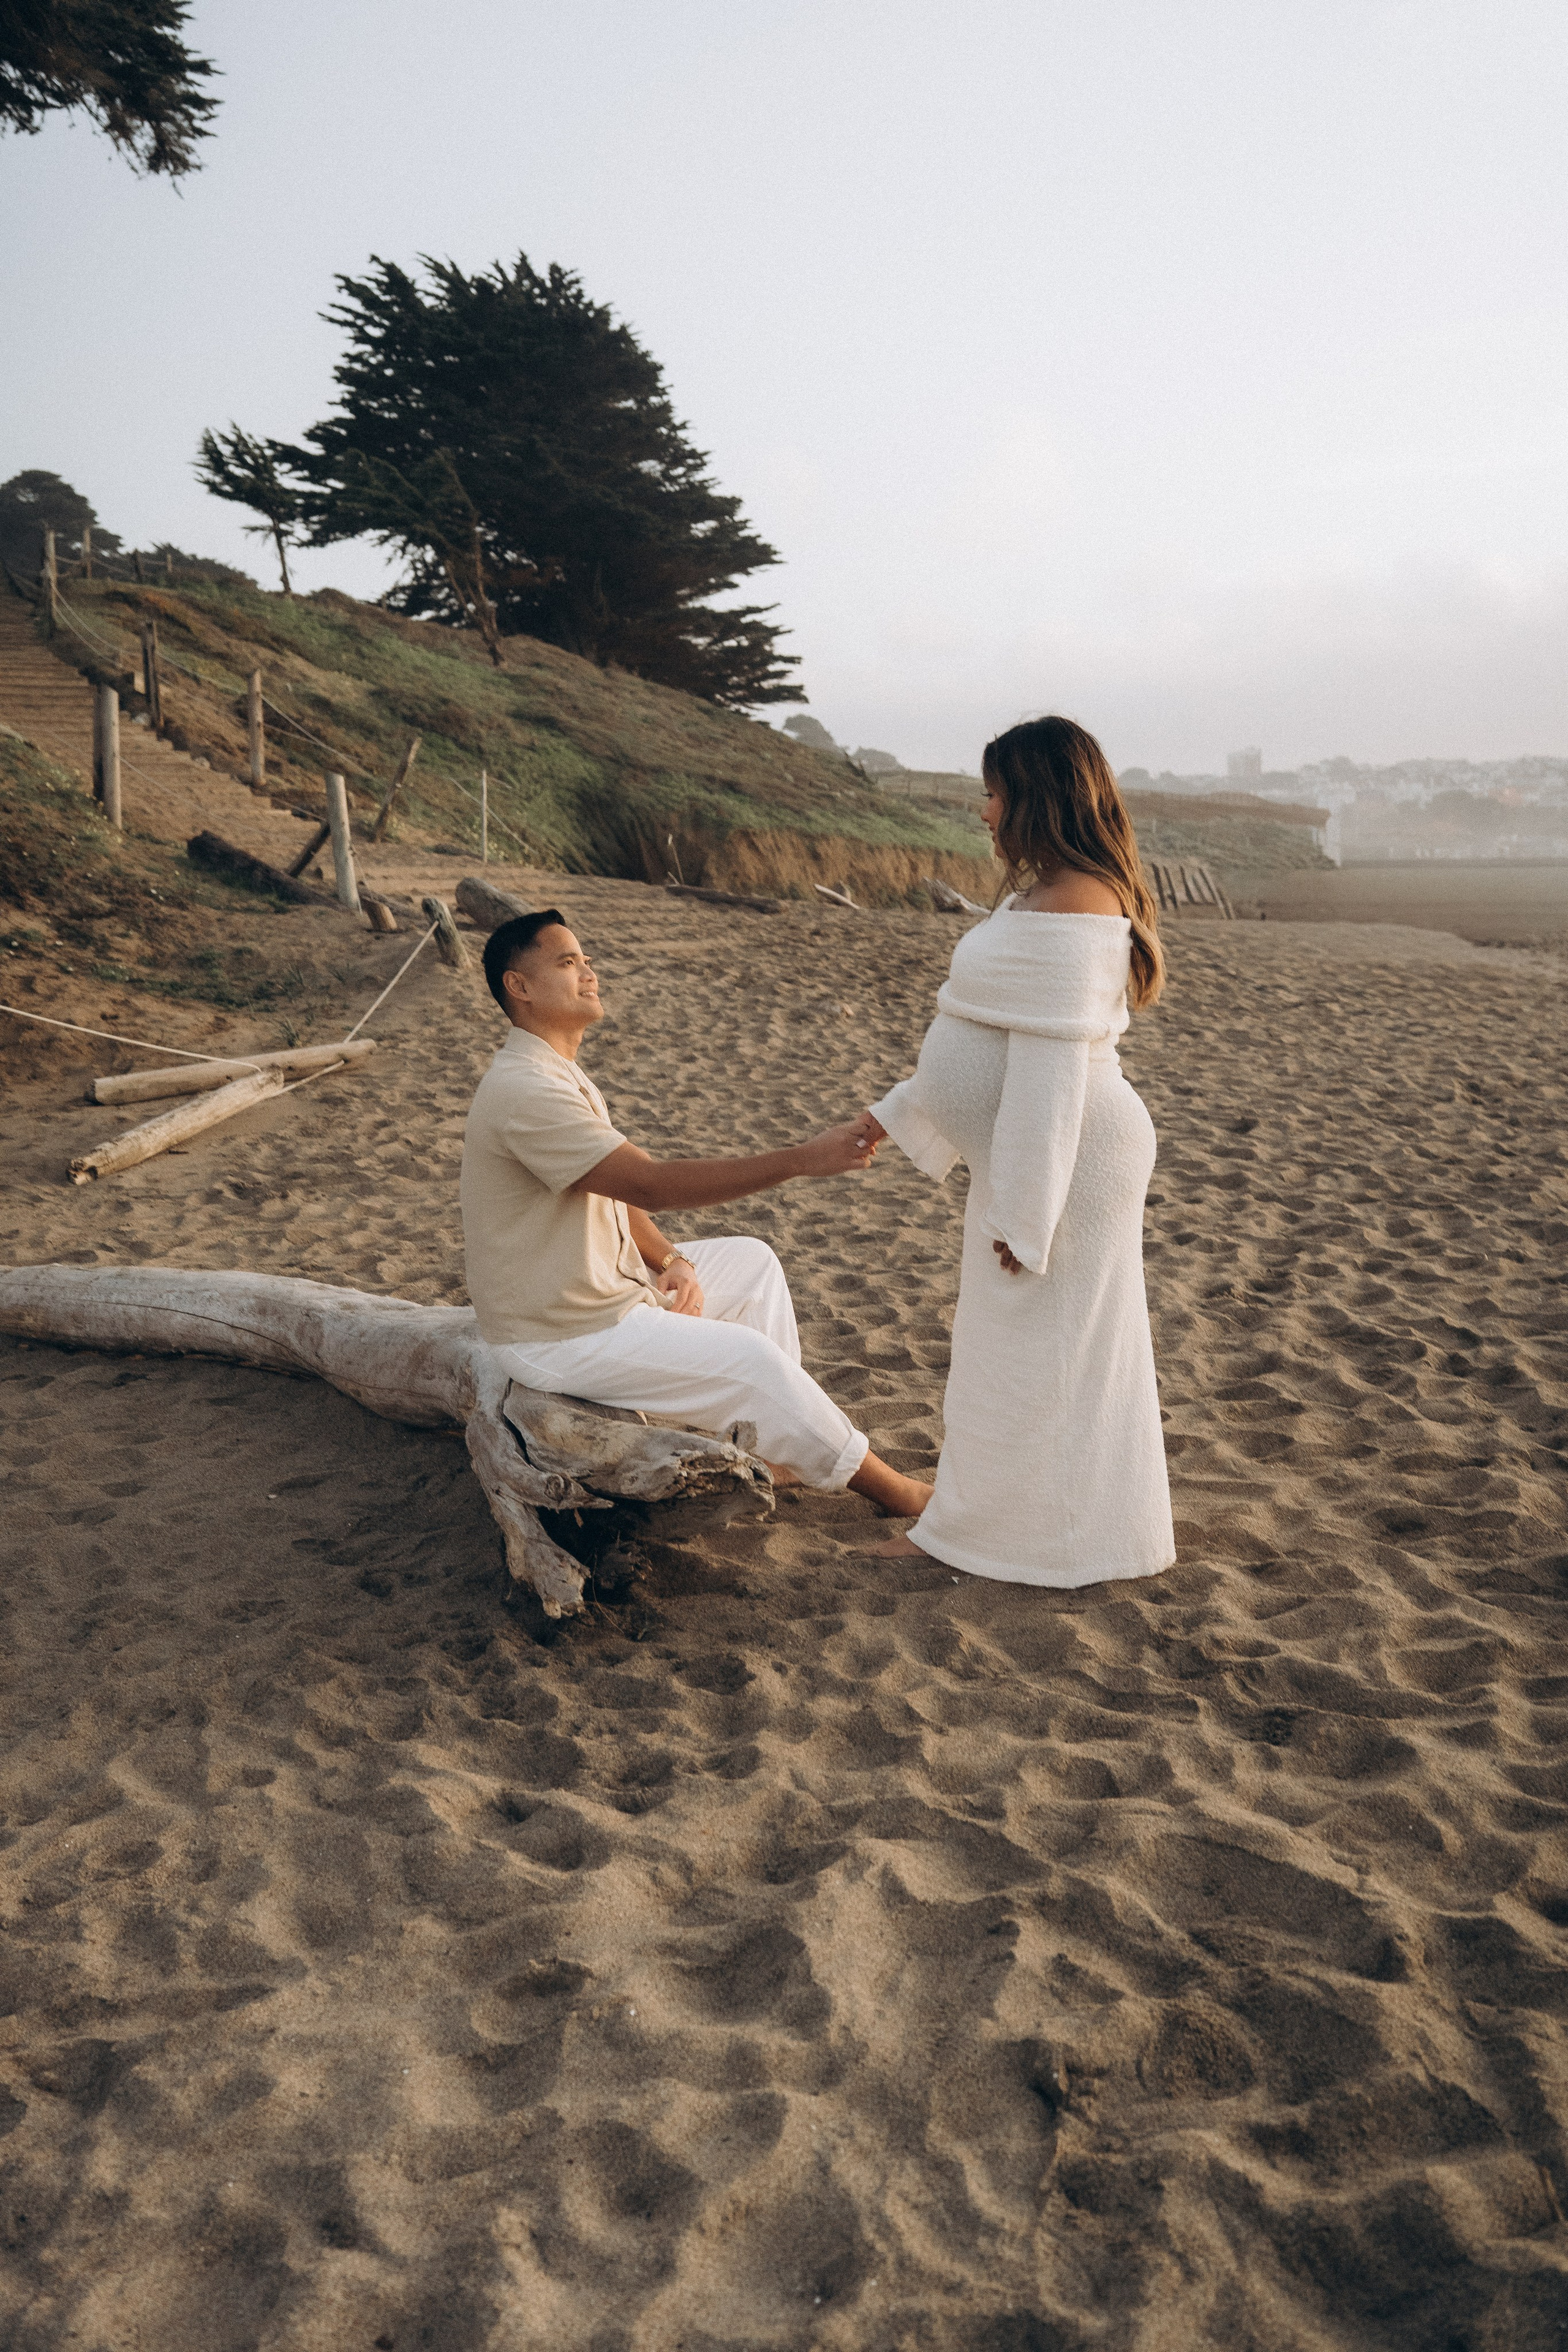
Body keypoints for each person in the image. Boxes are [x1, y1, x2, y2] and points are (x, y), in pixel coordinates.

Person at [460, 907, 933, 1519]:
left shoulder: (555, 1071)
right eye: (567, 962)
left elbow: (607, 1189)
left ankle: (771, 1453)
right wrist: (800, 1159)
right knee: (751, 1362)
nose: (589, 973)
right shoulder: (525, 1088)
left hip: (603, 1288)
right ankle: (894, 1492)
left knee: (751, 1263)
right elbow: (650, 1184)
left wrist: (669, 1258)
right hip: (559, 1333)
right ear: (517, 986)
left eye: (587, 960)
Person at [859, 716, 1176, 1587]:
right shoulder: (1047, 893)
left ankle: (1038, 1539)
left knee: (1049, 1353)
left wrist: (1027, 1214)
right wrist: (897, 1115)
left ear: (1037, 797)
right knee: (1020, 1351)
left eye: (995, 793)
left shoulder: (1080, 898)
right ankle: (1000, 1527)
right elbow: (985, 1032)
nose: (985, 811)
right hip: (1036, 1153)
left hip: (1067, 1157)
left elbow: (1047, 1064)